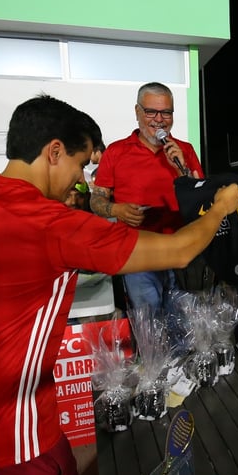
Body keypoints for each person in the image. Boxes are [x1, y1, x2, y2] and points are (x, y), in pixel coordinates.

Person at [0, 93, 238, 475]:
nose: (80, 179)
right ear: (53, 152)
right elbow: (179, 250)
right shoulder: (50, 224)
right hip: (10, 437)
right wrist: (220, 208)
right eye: (80, 163)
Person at [89, 81, 203, 315]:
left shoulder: (185, 150)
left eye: (166, 112)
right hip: (137, 252)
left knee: (181, 321)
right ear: (137, 112)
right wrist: (116, 210)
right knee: (148, 321)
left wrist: (181, 168)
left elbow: (201, 199)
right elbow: (96, 201)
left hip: (179, 250)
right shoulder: (116, 152)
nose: (159, 119)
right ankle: (151, 353)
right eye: (151, 111)